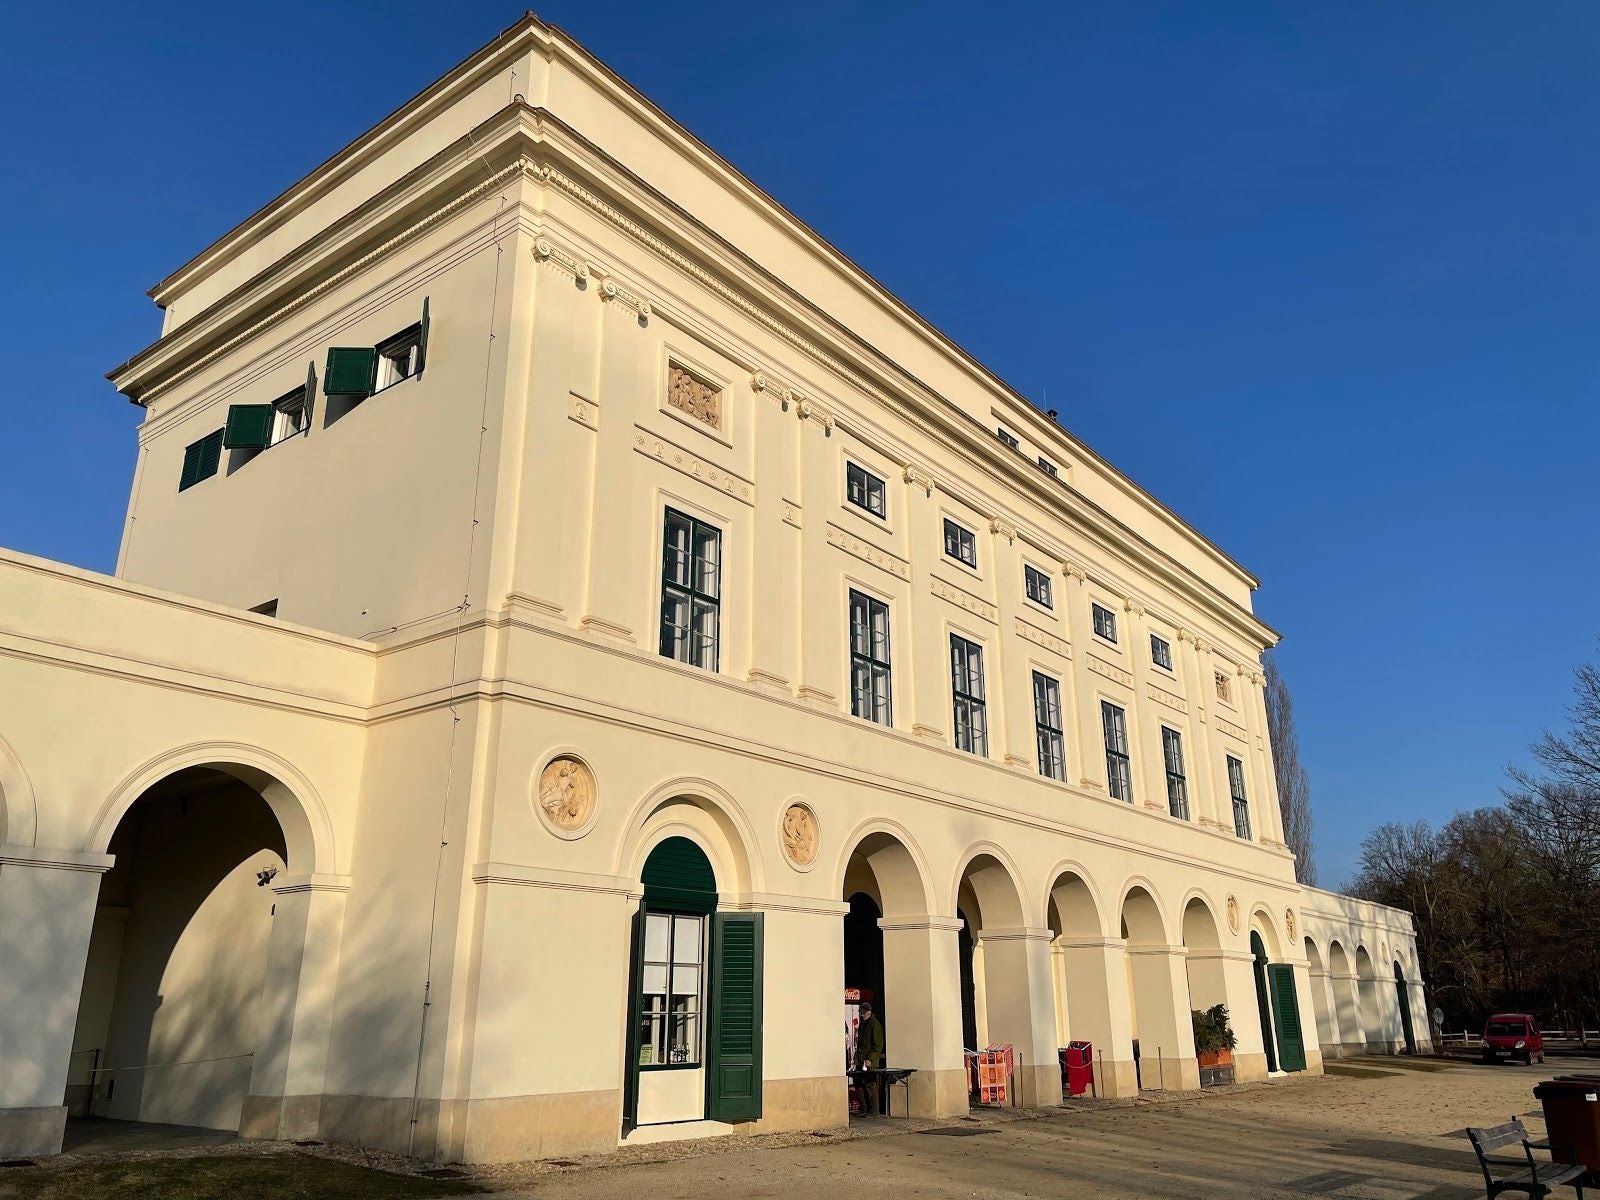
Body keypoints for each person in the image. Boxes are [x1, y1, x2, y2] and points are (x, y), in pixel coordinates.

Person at [854, 1001, 886, 1115]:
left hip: (869, 1060)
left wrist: (870, 1059)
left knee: (870, 1084)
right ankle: (864, 1109)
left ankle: (875, 1111)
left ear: (868, 1012)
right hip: (860, 1059)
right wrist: (856, 1059)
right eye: (860, 1012)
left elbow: (878, 1045)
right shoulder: (863, 1024)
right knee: (858, 1083)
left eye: (863, 1012)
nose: (861, 1014)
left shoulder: (874, 1024)